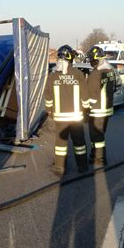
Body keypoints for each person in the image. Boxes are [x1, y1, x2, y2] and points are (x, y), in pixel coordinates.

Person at [44, 45, 89, 175]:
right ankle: (82, 166)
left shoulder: (52, 76)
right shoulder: (78, 74)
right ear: (71, 58)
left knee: (61, 144)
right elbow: (85, 96)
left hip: (60, 118)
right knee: (79, 142)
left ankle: (60, 167)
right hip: (76, 118)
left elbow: (48, 97)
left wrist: (50, 110)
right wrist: (86, 111)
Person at [86, 46, 116, 166]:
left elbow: (92, 96)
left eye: (91, 59)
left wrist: (86, 108)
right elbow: (114, 87)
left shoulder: (96, 74)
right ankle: (94, 155)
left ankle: (100, 158)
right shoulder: (110, 71)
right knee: (99, 134)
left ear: (96, 59)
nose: (90, 61)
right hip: (107, 109)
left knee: (96, 135)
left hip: (97, 110)